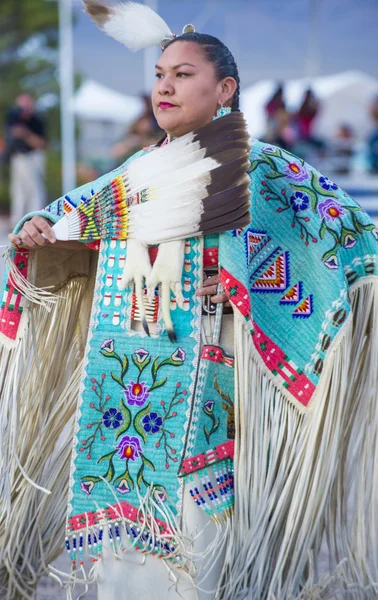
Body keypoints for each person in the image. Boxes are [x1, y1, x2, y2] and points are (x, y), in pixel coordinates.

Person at [2, 2, 378, 599]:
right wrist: (38, 230)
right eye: (158, 75)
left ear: (225, 88)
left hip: (209, 385)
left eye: (182, 74)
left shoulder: (265, 169)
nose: (164, 86)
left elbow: (351, 239)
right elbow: (66, 219)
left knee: (194, 552)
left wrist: (247, 287)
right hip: (124, 392)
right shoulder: (139, 171)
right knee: (122, 556)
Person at [3, 93, 48, 227]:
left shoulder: (36, 120)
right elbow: (9, 136)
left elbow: (42, 143)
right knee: (18, 191)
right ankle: (18, 222)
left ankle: (36, 221)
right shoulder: (13, 118)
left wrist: (26, 134)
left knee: (35, 191)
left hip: (33, 157)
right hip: (18, 157)